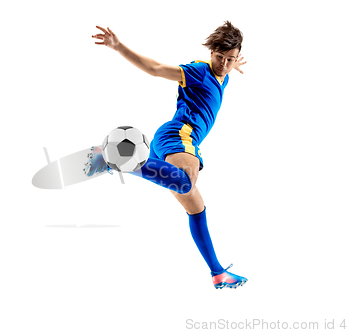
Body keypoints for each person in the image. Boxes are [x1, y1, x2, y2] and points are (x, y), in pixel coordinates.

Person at [92, 21, 248, 289]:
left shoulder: (226, 71)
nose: (223, 64)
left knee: (196, 206)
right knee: (187, 182)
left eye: (230, 59)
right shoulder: (197, 71)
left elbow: (227, 66)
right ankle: (117, 159)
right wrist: (118, 46)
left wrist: (234, 64)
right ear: (210, 52)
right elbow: (154, 69)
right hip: (178, 136)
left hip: (179, 141)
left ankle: (218, 273)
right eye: (219, 57)